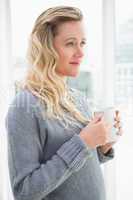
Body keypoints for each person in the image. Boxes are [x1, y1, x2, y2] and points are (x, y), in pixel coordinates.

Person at [5, 6, 122, 200]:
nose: (80, 52)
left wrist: (101, 147)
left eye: (82, 43)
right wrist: (83, 142)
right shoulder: (24, 107)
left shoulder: (78, 99)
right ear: (47, 48)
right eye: (70, 43)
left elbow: (73, 173)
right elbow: (25, 192)